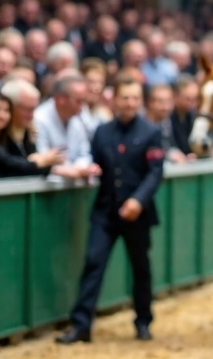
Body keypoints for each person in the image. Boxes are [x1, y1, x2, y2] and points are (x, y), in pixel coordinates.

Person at [56, 76, 164, 344]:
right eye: (125, 97)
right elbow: (93, 161)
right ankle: (81, 325)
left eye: (135, 98)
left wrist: (138, 200)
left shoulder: (151, 132)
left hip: (138, 214)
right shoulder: (102, 131)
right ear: (114, 99)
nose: (130, 103)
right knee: (93, 263)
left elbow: (155, 172)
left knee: (140, 268)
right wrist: (89, 169)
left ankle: (143, 321)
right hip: (105, 211)